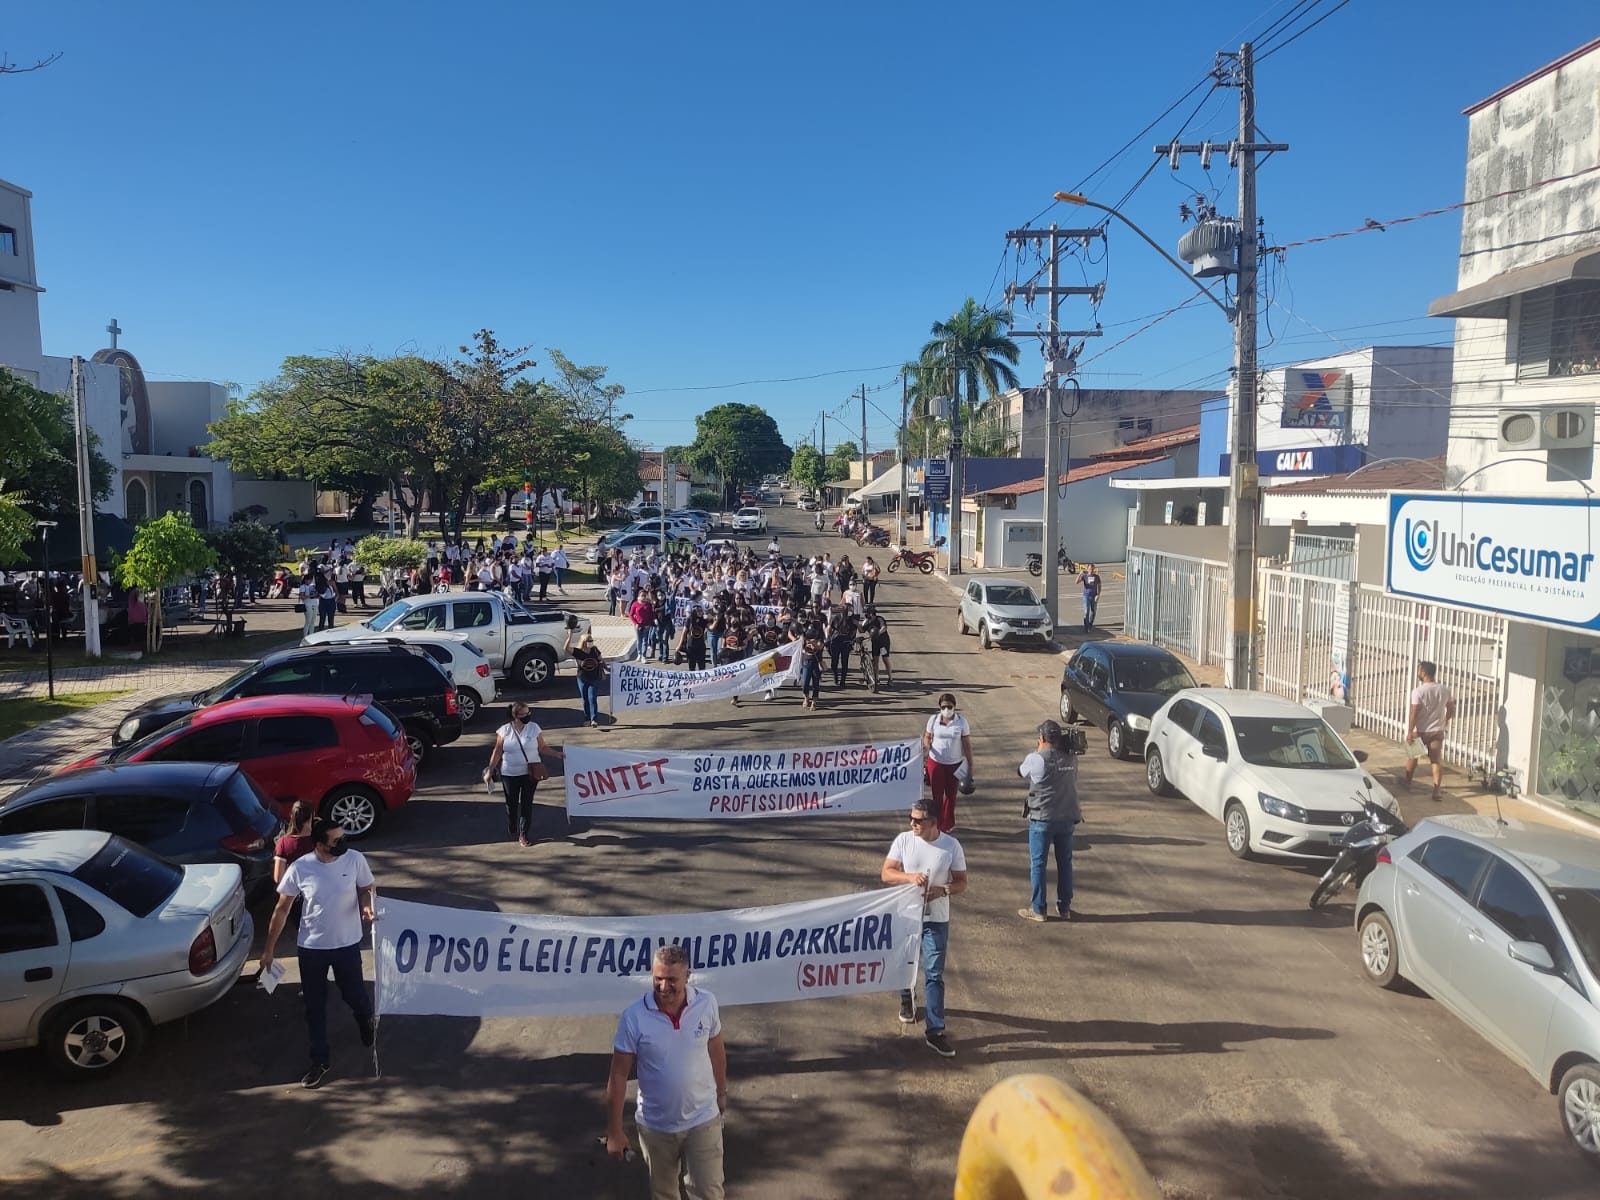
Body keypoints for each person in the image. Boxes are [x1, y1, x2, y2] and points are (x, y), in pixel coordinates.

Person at [258, 819, 376, 1090]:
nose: (343, 843)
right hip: (312, 949)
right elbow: (282, 909)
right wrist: (269, 950)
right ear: (320, 845)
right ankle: (320, 1060)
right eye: (337, 841)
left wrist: (366, 906)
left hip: (347, 945)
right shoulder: (301, 868)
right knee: (314, 1007)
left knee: (355, 995)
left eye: (343, 837)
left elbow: (366, 887)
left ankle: (364, 1019)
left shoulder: (355, 860)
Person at [605, 944, 727, 1199]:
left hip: (703, 1119)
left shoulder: (706, 1003)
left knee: (709, 1193)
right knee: (664, 1194)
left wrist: (722, 1092)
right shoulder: (634, 1016)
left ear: (688, 976)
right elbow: (618, 1075)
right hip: (656, 1127)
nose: (663, 987)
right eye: (658, 978)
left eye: (672, 980)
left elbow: (716, 1048)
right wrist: (615, 1131)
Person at [880, 800, 967, 1058]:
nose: (912, 823)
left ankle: (935, 1031)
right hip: (907, 915)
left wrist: (943, 890)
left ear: (933, 823)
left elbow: (962, 882)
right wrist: (909, 877)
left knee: (934, 972)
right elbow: (886, 873)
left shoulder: (951, 846)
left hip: (936, 919)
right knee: (906, 964)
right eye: (911, 818)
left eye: (918, 820)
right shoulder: (904, 840)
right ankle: (906, 999)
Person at [1017, 721, 1082, 922]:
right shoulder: (1071, 759)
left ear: (1042, 738)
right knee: (1065, 863)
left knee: (1038, 864)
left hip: (1042, 819)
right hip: (1067, 817)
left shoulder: (1036, 759)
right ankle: (1065, 908)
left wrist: (1038, 751)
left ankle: (1039, 909)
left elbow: (1021, 772)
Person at [487, 702, 566, 846]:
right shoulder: (505, 730)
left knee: (526, 803)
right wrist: (490, 770)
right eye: (524, 714)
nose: (528, 716)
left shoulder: (534, 728)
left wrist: (557, 754)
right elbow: (497, 751)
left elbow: (542, 747)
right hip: (509, 773)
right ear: (515, 716)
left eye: (529, 713)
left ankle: (523, 834)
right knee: (511, 803)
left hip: (530, 773)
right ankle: (512, 822)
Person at [1404, 660, 1456, 801]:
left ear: (1424, 673)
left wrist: (1410, 731)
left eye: (1419, 670)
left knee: (1413, 757)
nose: (1418, 673)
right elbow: (1451, 708)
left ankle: (1407, 782)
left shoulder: (1418, 691)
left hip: (1420, 731)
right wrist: (1446, 720)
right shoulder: (1444, 690)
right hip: (1437, 731)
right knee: (1435, 761)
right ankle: (1436, 791)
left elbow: (1414, 713)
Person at [922, 693, 973, 834]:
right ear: (939, 707)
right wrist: (927, 746)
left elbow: (966, 744)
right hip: (936, 763)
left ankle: (948, 823)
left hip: (954, 764)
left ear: (954, 707)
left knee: (951, 795)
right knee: (937, 795)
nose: (946, 710)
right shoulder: (933, 720)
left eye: (949, 707)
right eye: (943, 707)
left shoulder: (961, 722)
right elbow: (927, 737)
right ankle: (937, 824)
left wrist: (970, 765)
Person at [569, 627, 607, 728]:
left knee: (592, 698)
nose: (591, 642)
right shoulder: (578, 652)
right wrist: (570, 636)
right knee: (585, 699)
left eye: (591, 640)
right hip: (582, 678)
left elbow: (601, 660)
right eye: (589, 641)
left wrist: (607, 668)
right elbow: (566, 648)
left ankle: (594, 719)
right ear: (584, 642)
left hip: (594, 678)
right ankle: (587, 719)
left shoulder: (594, 650)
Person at [273, 800, 316, 885]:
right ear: (311, 817)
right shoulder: (318, 840)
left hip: (295, 888)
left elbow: (278, 878)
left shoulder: (283, 842)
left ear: (292, 816)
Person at [1077, 563, 1102, 632]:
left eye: (1093, 569)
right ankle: (1086, 627)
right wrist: (1080, 574)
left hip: (1094, 596)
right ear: (1087, 569)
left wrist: (1098, 595)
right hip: (1086, 596)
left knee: (1093, 611)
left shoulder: (1096, 577)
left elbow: (1099, 586)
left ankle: (1090, 624)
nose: (1091, 570)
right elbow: (1076, 582)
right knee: (1086, 612)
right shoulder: (1085, 576)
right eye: (1090, 569)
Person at [297, 572, 318, 639]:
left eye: (311, 580)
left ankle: (311, 635)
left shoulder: (312, 586)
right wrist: (310, 596)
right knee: (308, 621)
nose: (310, 581)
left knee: (313, 621)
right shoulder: (303, 586)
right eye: (309, 580)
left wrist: (316, 595)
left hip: (314, 604)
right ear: (306, 580)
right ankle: (305, 636)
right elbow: (302, 597)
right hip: (307, 604)